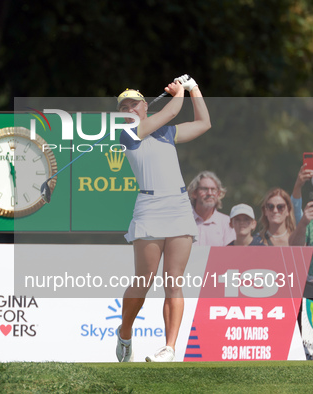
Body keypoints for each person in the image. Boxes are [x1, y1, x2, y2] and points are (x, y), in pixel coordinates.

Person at [116, 74, 211, 362]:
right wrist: (179, 91)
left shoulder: (166, 133)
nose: (130, 109)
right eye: (124, 107)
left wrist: (194, 89)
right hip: (149, 206)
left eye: (135, 104)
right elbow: (170, 110)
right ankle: (125, 332)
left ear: (145, 106)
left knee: (174, 280)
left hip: (179, 205)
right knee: (144, 280)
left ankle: (169, 348)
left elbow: (204, 123)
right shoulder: (129, 134)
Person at [187, 171, 236, 246]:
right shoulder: (184, 221)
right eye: (204, 189)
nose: (209, 193)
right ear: (194, 193)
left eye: (213, 189)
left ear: (218, 194)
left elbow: (231, 254)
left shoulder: (227, 223)